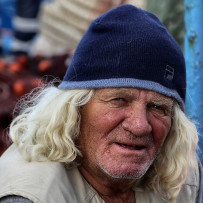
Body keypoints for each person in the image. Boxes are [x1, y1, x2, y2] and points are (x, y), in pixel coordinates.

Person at [0, 4, 202, 203]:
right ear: (73, 110)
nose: (140, 126)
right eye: (119, 100)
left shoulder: (185, 178)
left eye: (158, 107)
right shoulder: (31, 195)